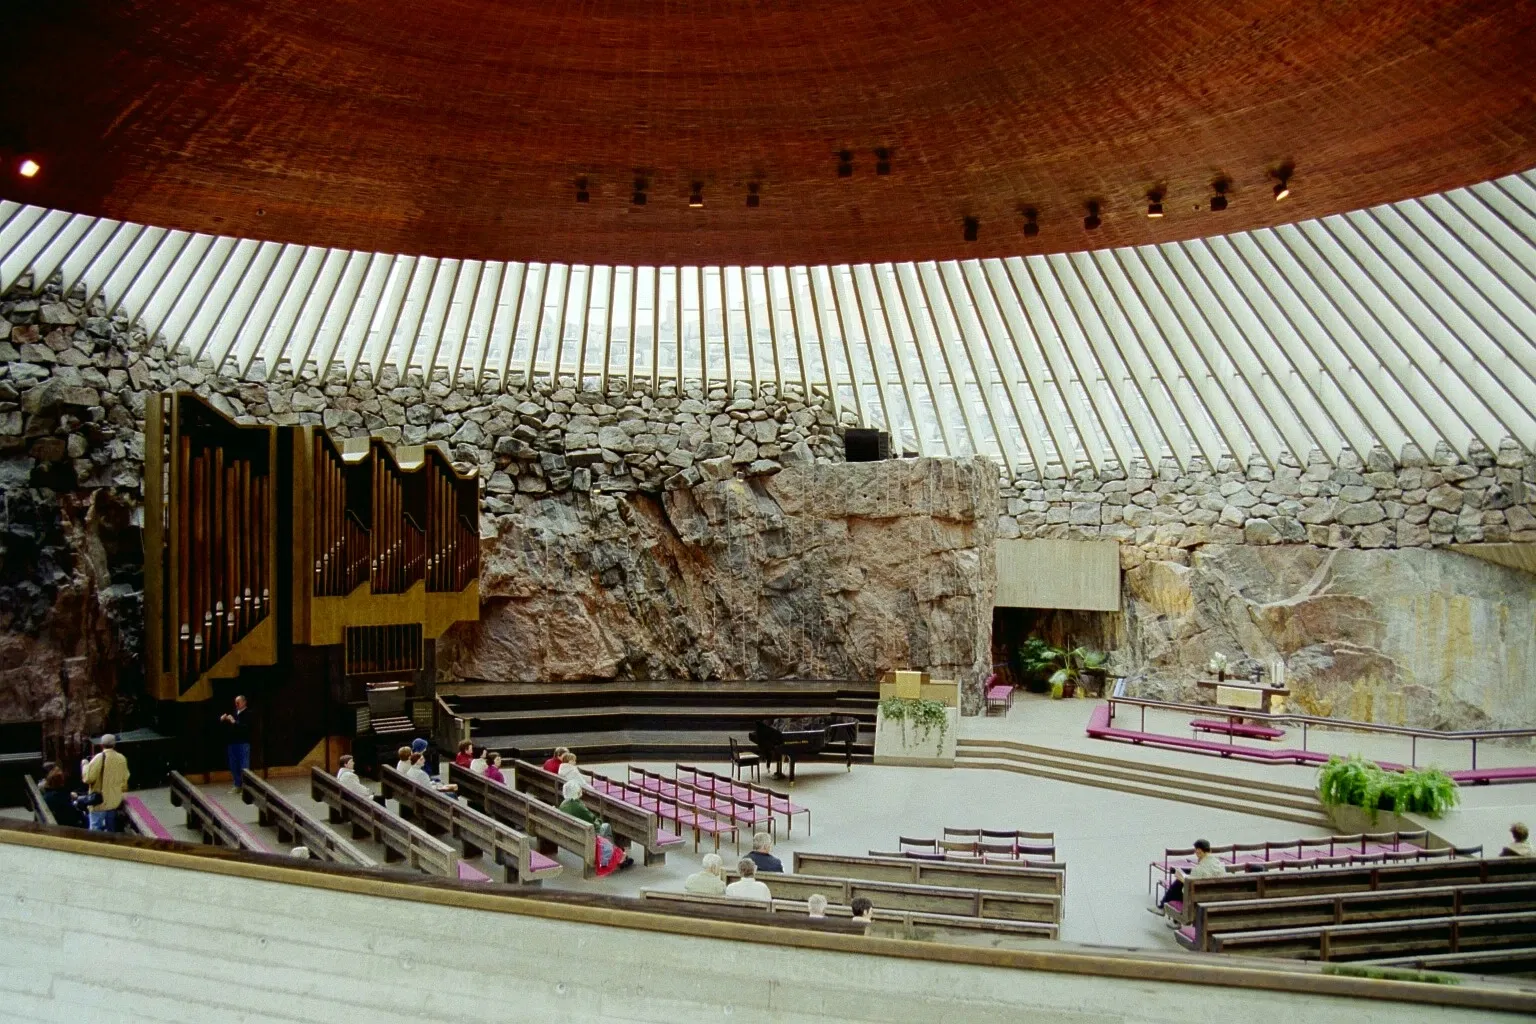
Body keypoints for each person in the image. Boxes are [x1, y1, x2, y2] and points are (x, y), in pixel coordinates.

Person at [558, 779, 633, 875]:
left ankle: (616, 853)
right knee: (606, 827)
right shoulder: (577, 806)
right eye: (579, 790)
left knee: (604, 829)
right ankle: (614, 858)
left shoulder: (564, 804)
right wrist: (599, 821)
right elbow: (592, 821)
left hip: (573, 835)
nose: (581, 791)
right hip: (586, 836)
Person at [1156, 839, 1226, 914]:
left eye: (1196, 850)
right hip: (1215, 897)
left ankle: (1163, 907)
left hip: (1198, 900)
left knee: (1177, 885)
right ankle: (1164, 909)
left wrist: (1182, 880)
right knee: (1181, 881)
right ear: (1210, 850)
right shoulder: (1220, 865)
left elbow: (1187, 890)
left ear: (1199, 851)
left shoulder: (1199, 869)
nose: (1195, 853)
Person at [81, 734, 130, 833]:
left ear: (101, 745)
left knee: (95, 832)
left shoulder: (99, 758)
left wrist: (85, 765)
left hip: (99, 802)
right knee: (111, 832)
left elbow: (88, 778)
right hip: (113, 802)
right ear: (114, 745)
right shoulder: (122, 758)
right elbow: (125, 780)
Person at [219, 694, 251, 793]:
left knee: (244, 765)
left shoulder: (248, 713)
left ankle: (246, 786)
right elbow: (229, 728)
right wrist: (223, 720)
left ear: (244, 702)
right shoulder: (234, 713)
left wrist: (234, 722)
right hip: (232, 743)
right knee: (234, 765)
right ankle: (237, 785)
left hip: (243, 743)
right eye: (235, 702)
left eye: (239, 702)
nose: (236, 704)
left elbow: (245, 728)